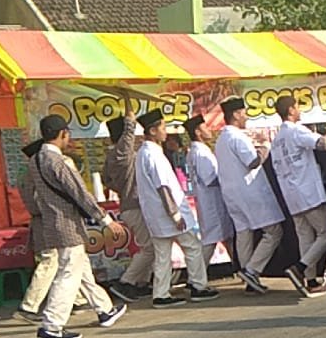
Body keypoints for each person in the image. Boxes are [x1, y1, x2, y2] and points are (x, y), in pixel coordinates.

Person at [31, 115, 128, 338]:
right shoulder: (59, 162)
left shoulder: (35, 159)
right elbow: (79, 193)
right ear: (63, 133)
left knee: (81, 269)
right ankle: (52, 325)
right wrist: (105, 220)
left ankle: (104, 309)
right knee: (68, 273)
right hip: (68, 224)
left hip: (51, 222)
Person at [132, 110, 221, 308]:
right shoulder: (153, 154)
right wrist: (175, 214)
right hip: (167, 213)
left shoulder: (144, 153)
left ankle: (161, 293)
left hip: (156, 215)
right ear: (153, 130)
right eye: (162, 128)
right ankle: (199, 286)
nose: (165, 132)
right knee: (193, 247)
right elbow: (163, 187)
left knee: (163, 255)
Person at [215, 97, 288, 295]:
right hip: (249, 191)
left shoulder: (221, 139)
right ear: (236, 114)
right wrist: (265, 147)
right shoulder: (237, 137)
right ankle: (252, 270)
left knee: (244, 233)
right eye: (244, 112)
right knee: (273, 231)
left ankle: (248, 277)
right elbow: (253, 162)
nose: (246, 116)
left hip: (232, 194)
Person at [270, 96, 326, 298]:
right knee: (324, 233)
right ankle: (300, 268)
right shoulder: (296, 131)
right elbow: (323, 144)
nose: (299, 110)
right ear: (291, 110)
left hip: (291, 194)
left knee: (305, 237)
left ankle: (311, 281)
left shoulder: (277, 140)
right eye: (297, 106)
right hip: (307, 191)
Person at [13, 139, 89, 323]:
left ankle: (78, 300)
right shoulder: (36, 174)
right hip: (47, 221)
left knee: (68, 262)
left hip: (42, 221)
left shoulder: (26, 174)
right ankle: (29, 306)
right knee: (51, 261)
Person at [101, 104, 154, 304]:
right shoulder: (122, 153)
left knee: (147, 246)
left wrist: (122, 188)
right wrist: (128, 104)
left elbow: (107, 180)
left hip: (127, 204)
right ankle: (126, 282)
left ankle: (142, 283)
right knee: (149, 248)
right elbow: (130, 130)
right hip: (134, 205)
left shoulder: (110, 157)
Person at [183, 114, 235, 270]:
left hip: (211, 202)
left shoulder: (197, 151)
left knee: (227, 239)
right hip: (211, 204)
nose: (209, 130)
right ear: (198, 132)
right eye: (205, 127)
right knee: (211, 241)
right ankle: (196, 277)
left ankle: (242, 270)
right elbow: (210, 179)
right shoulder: (200, 153)